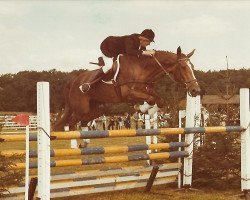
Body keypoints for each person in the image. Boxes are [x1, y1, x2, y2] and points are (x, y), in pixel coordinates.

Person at [80, 29, 156, 92]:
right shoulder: (131, 39)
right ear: (144, 39)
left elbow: (139, 56)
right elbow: (130, 52)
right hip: (107, 47)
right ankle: (89, 83)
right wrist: (145, 52)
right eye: (149, 41)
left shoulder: (141, 45)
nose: (149, 44)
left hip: (117, 51)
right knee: (109, 66)